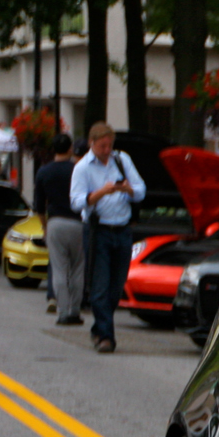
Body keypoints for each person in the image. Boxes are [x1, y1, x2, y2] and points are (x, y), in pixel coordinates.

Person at [70, 123, 145, 354]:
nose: (106, 150)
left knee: (116, 286)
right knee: (100, 285)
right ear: (91, 143)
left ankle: (99, 327)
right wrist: (101, 192)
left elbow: (141, 190)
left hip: (122, 229)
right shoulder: (83, 168)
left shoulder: (121, 160)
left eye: (109, 145)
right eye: (102, 146)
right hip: (98, 230)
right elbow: (76, 202)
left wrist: (127, 189)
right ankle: (106, 336)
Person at [33, 133, 83, 326]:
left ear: (53, 149)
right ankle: (75, 311)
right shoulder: (78, 169)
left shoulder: (44, 172)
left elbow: (39, 206)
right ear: (70, 148)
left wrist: (45, 227)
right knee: (77, 268)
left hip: (55, 222)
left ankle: (62, 312)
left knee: (59, 269)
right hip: (78, 222)